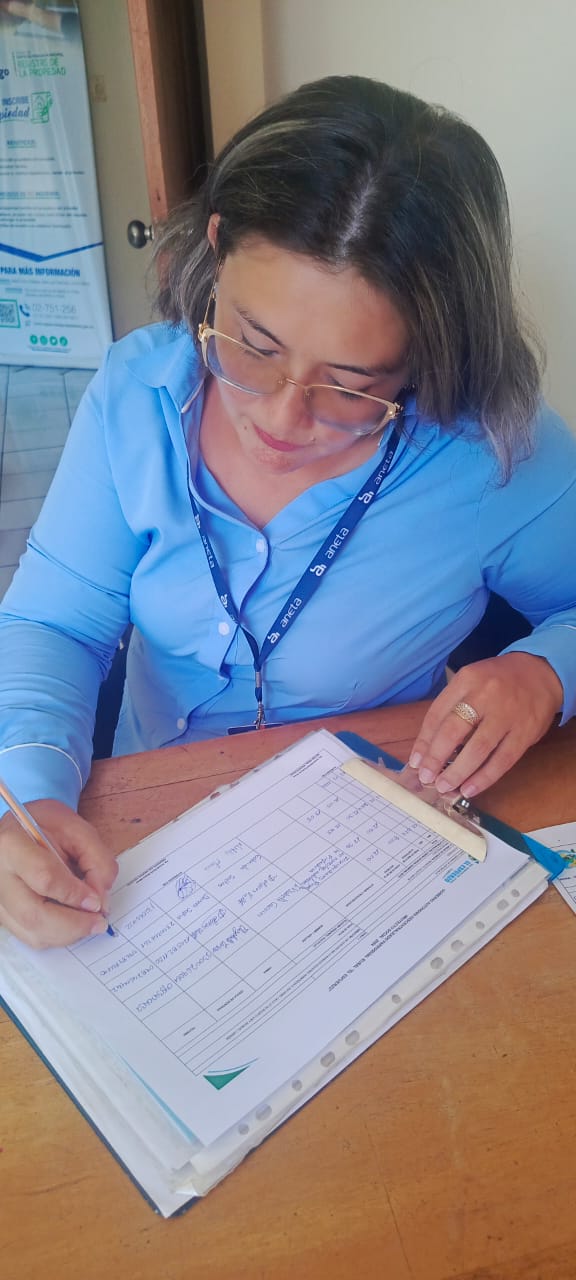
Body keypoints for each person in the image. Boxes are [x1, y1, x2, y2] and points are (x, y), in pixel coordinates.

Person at [0, 75, 575, 948]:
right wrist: (32, 793)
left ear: (427, 351)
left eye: (351, 386)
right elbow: (55, 622)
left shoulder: (494, 449)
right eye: (253, 344)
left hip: (361, 843)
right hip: (134, 827)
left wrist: (545, 673)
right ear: (217, 248)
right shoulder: (137, 393)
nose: (279, 417)